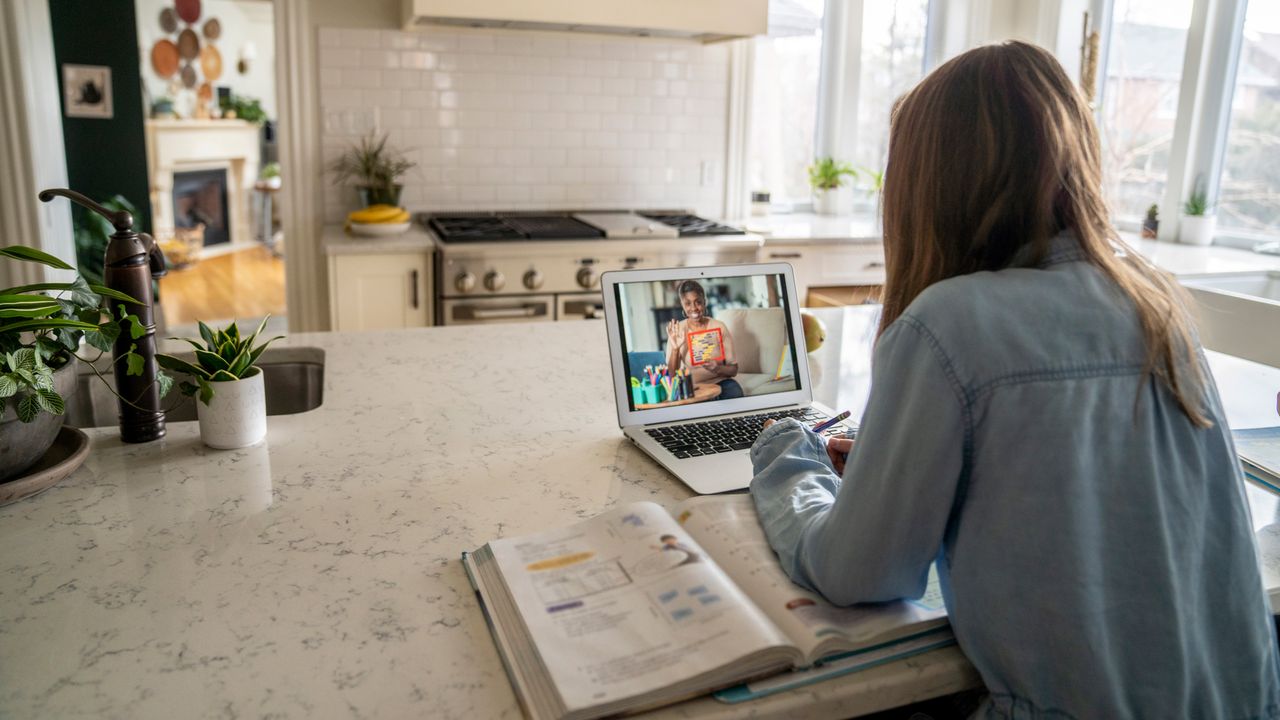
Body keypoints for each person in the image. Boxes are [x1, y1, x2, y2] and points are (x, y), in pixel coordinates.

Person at [749, 41, 1280, 718]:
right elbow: (1083, 499)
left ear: (926, 184)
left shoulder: (946, 323)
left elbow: (859, 574)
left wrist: (786, 457)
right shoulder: (1156, 306)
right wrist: (897, 472)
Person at [664, 279, 743, 400]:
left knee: (735, 392)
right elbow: (671, 376)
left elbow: (733, 370)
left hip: (721, 383)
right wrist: (675, 349)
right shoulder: (677, 331)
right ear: (683, 305)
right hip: (693, 387)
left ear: (704, 302)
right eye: (688, 303)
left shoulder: (719, 326)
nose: (694, 308)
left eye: (698, 302)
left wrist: (717, 368)